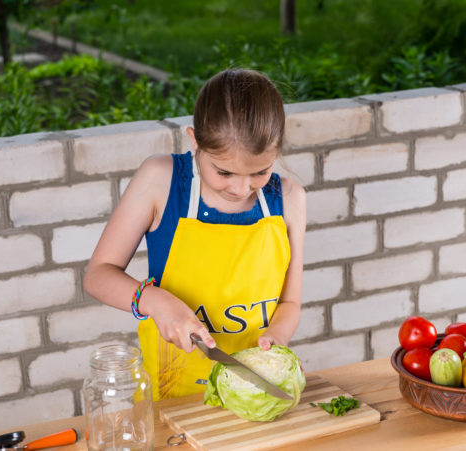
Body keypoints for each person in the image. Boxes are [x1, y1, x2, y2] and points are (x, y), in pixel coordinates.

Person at [84, 69, 306, 401]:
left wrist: (276, 337)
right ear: (194, 140)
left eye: (260, 171)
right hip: (173, 391)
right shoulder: (160, 180)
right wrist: (156, 301)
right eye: (224, 172)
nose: (240, 188)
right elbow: (97, 276)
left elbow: (289, 302)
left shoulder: (290, 199)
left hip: (253, 390)